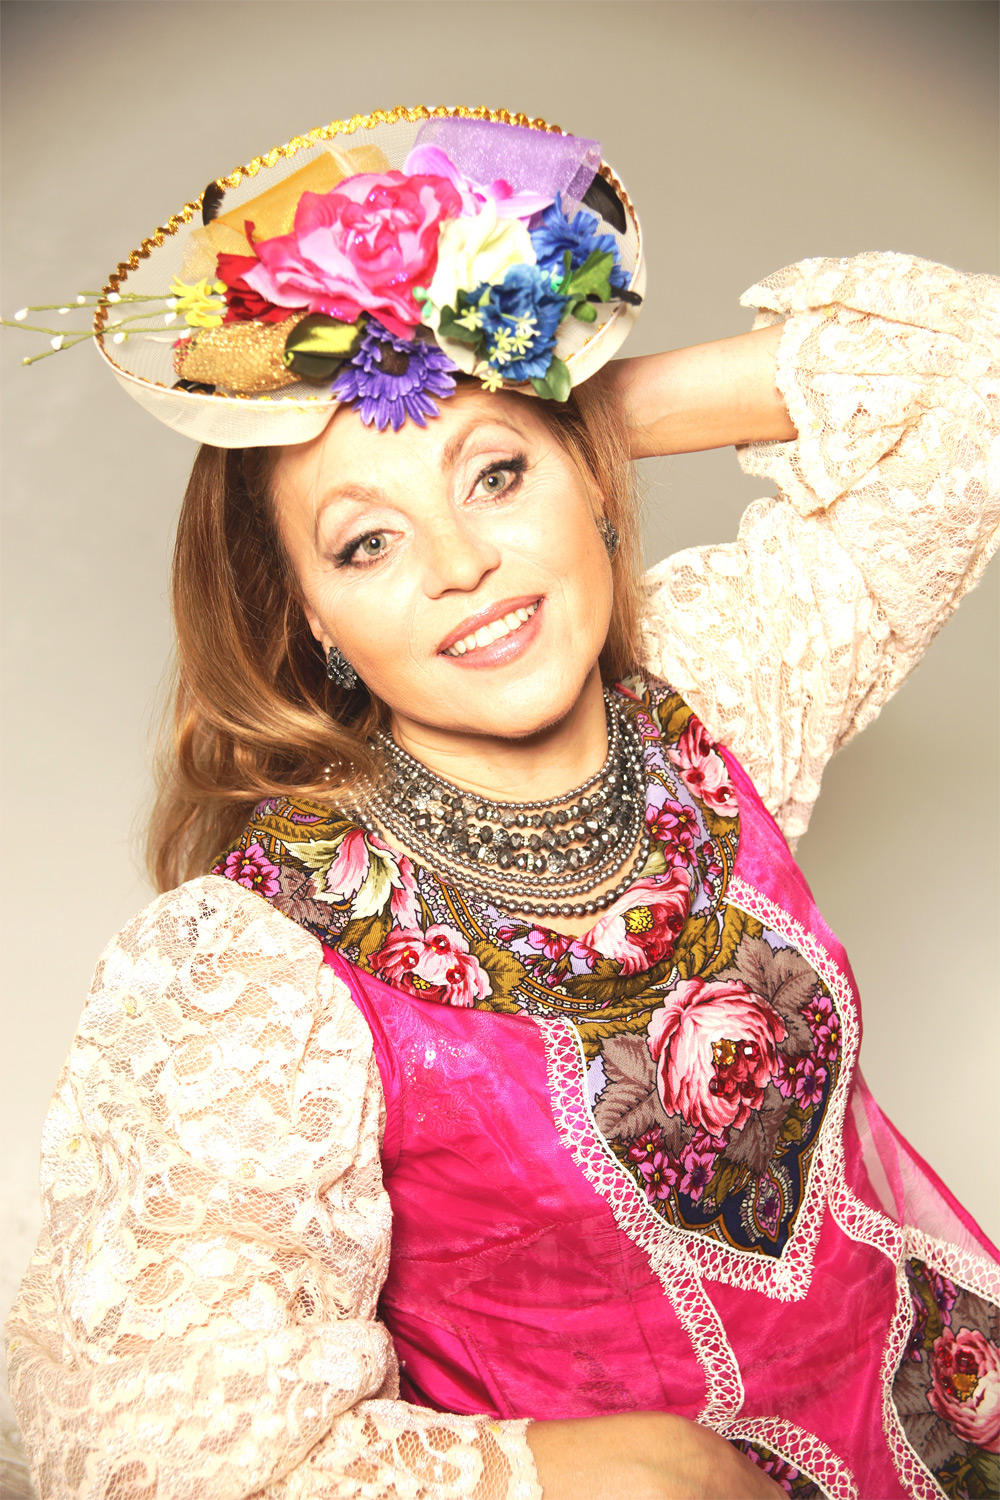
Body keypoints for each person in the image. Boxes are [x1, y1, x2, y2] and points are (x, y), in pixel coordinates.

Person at [4, 106, 999, 1500]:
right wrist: (601, 1470)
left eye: (498, 475)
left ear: (588, 483)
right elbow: (141, 1449)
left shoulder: (713, 695)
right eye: (368, 541)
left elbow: (971, 377)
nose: (462, 562)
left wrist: (561, 403)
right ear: (314, 619)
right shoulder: (257, 971)